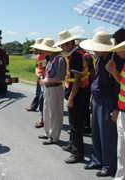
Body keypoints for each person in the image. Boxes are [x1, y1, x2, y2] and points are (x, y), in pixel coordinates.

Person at [80, 31, 118, 177]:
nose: (94, 49)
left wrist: (115, 107)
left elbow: (117, 86)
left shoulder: (113, 61)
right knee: (96, 131)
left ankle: (109, 165)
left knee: (107, 135)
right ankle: (97, 159)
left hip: (107, 101)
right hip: (96, 99)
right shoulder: (99, 59)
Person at [56, 30, 89, 163]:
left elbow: (77, 79)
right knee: (72, 123)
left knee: (76, 125)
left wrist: (71, 98)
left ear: (69, 43)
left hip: (78, 94)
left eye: (63, 45)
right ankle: (71, 145)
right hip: (77, 93)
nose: (61, 48)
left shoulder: (76, 56)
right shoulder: (74, 54)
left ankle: (77, 153)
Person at [36, 38, 66, 144]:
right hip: (48, 88)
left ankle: (54, 137)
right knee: (46, 112)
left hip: (55, 88)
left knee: (54, 114)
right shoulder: (52, 58)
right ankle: (48, 133)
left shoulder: (60, 59)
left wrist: (44, 81)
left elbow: (60, 78)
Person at [105, 29, 125, 180]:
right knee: (121, 151)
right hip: (122, 111)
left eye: (118, 46)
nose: (116, 51)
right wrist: (113, 72)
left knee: (122, 151)